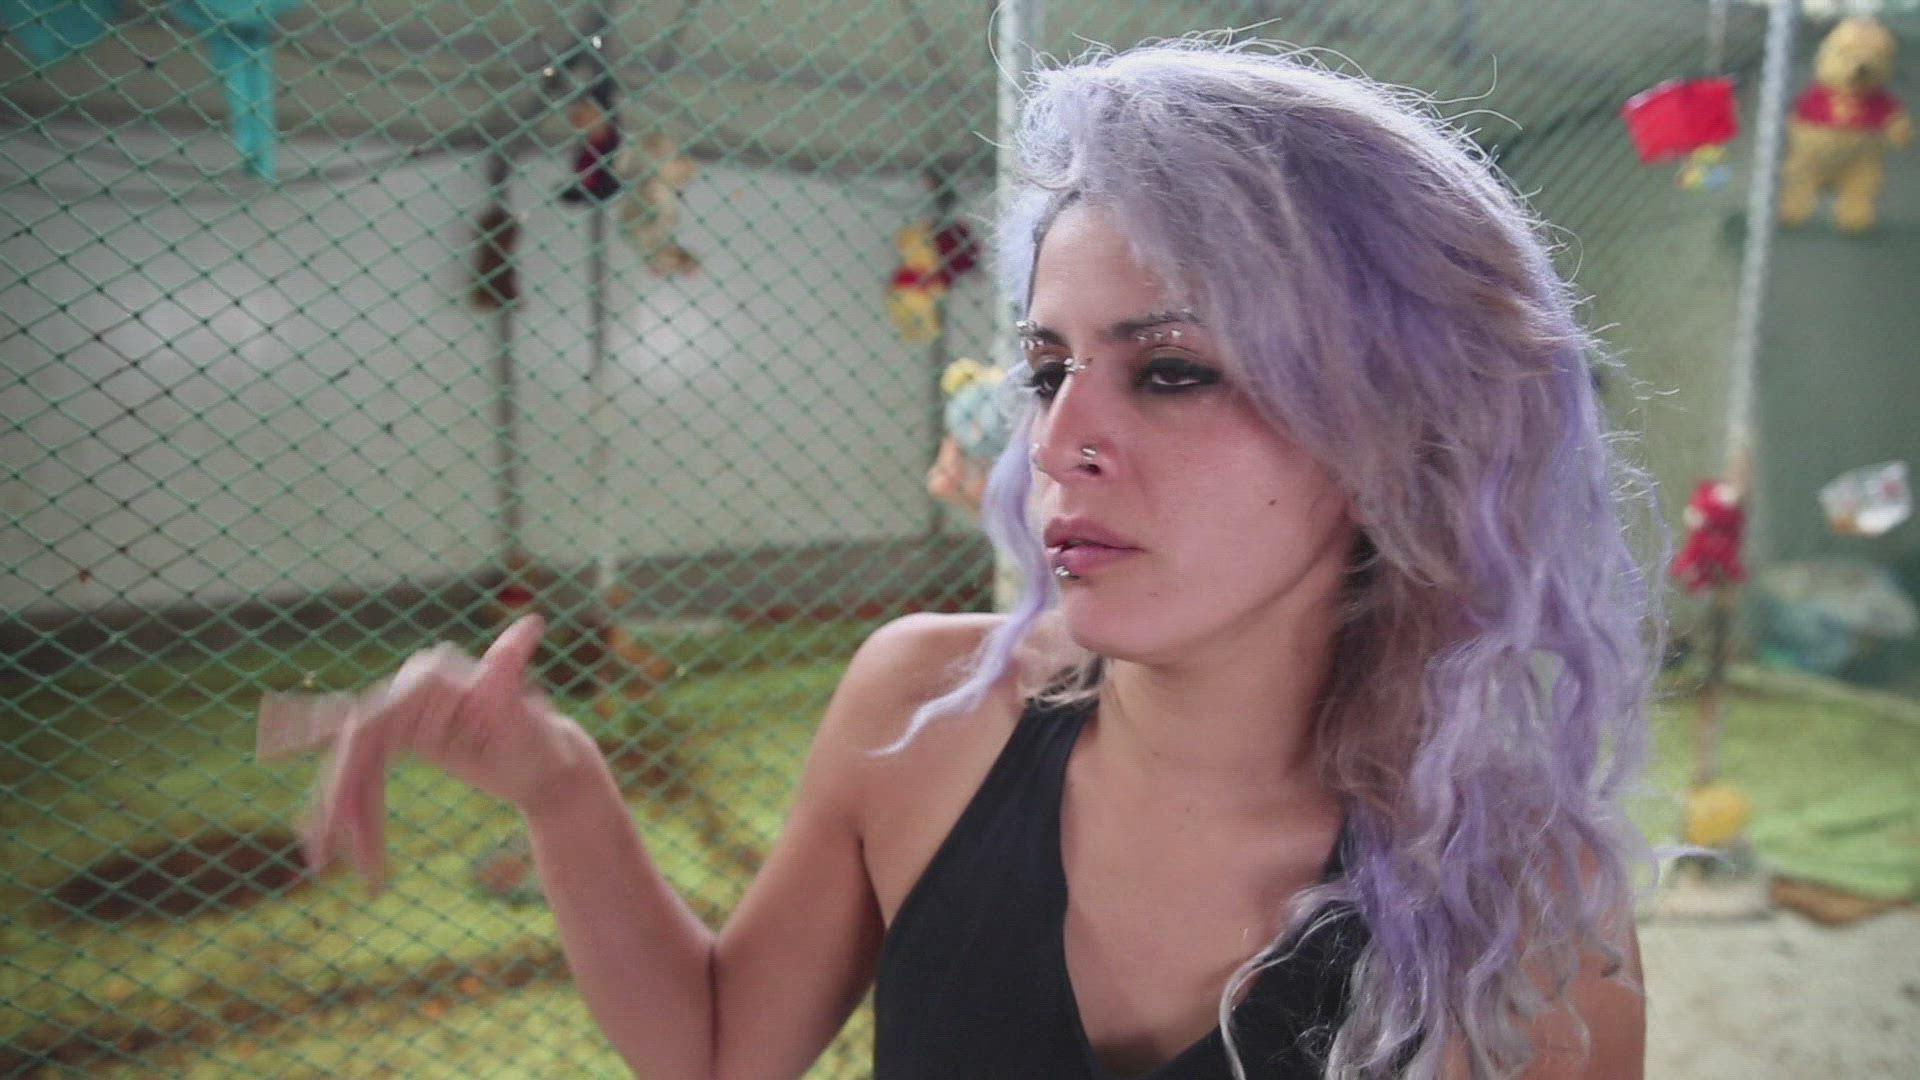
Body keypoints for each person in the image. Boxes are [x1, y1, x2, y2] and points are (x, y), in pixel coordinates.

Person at [304, 38, 1662, 1079]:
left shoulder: (1524, 908)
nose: (1057, 443)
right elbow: (721, 1047)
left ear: (1394, 432)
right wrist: (560, 786)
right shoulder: (925, 714)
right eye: (1048, 367)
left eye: (1173, 370)